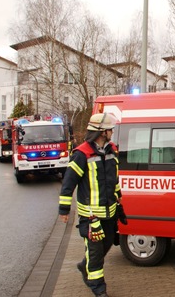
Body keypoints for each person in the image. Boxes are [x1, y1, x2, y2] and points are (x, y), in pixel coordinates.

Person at [58, 113, 125, 297]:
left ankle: (84, 265)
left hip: (109, 211)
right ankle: (98, 288)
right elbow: (68, 183)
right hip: (91, 215)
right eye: (110, 129)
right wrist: (64, 209)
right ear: (102, 132)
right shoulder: (81, 154)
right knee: (95, 253)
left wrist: (118, 195)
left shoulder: (112, 150)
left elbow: (114, 178)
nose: (113, 132)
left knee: (109, 242)